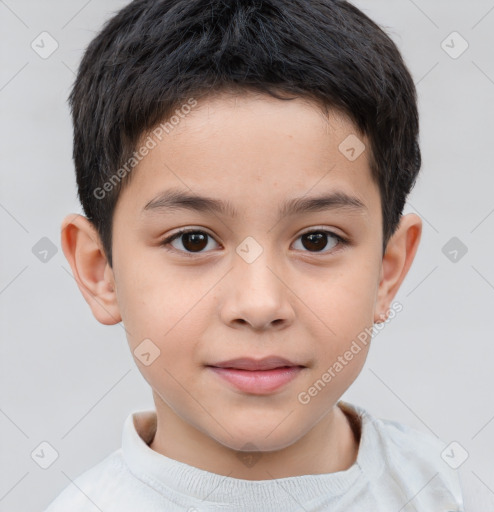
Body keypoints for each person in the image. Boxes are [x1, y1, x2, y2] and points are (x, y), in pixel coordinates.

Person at [45, 0, 465, 510]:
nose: (261, 304)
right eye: (193, 240)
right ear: (100, 271)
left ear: (387, 270)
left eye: (317, 240)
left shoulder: (429, 483)